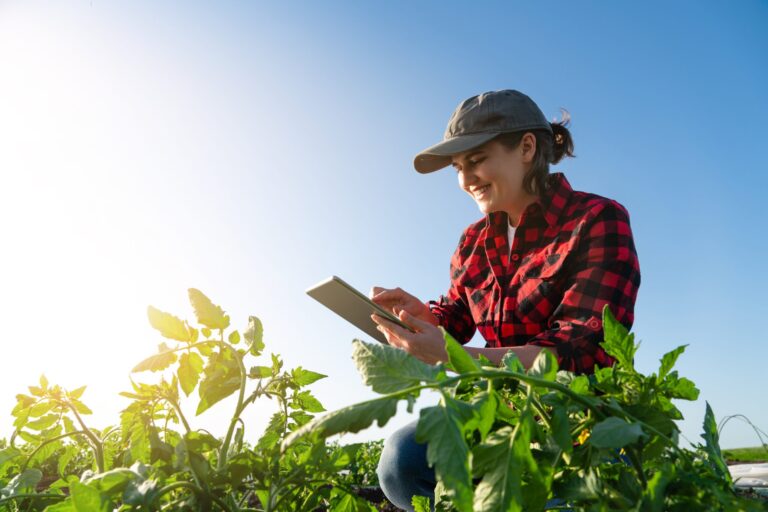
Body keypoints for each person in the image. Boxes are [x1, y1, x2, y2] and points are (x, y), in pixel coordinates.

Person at [369, 89, 641, 511]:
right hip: (499, 414)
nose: (465, 179)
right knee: (400, 463)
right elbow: (458, 314)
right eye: (458, 168)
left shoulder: (597, 220)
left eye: (476, 161)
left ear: (527, 147)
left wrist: (452, 355)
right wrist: (425, 317)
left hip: (581, 423)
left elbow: (577, 353)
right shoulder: (472, 243)